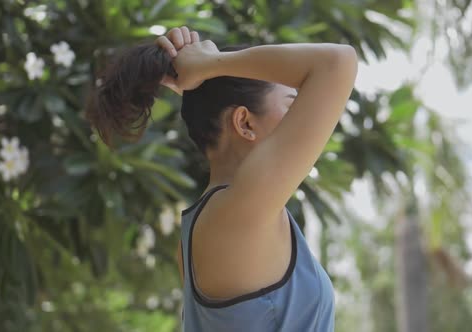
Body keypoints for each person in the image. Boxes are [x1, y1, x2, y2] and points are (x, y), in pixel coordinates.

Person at [86, 26, 358, 331]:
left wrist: (207, 71)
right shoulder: (241, 214)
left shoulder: (221, 222)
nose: (305, 115)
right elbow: (338, 62)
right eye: (292, 104)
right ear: (244, 122)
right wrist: (208, 66)